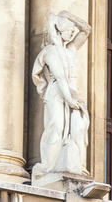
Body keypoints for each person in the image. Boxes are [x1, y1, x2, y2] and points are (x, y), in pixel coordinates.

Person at [32, 10, 91, 177]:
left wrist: (69, 16)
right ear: (58, 30)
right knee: (56, 127)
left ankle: (74, 166)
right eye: (69, 30)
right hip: (57, 92)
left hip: (71, 93)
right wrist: (69, 99)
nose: (73, 33)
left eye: (73, 31)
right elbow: (60, 77)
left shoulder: (70, 49)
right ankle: (48, 167)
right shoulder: (51, 51)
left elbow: (86, 30)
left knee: (77, 130)